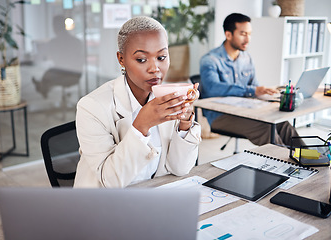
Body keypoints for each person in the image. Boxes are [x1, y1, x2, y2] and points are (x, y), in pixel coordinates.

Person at [74, 16, 201, 188]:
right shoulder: (91, 107)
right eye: (141, 59)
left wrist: (184, 124)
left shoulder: (166, 98)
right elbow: (110, 182)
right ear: (121, 59)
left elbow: (180, 169)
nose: (154, 68)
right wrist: (141, 125)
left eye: (161, 57)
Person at [200, 13, 301, 146]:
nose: (248, 39)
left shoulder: (246, 58)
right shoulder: (210, 60)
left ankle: (311, 160)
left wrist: (269, 95)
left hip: (246, 110)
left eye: (249, 34)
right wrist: (253, 90)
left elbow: (254, 88)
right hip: (221, 115)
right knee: (266, 129)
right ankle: (285, 164)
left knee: (282, 123)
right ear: (228, 35)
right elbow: (213, 89)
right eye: (243, 34)